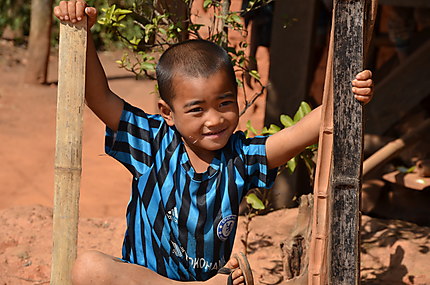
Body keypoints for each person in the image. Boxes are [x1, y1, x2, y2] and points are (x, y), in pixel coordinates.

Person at [54, 1, 374, 284]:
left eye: (224, 103)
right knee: (87, 268)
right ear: (168, 112)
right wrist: (83, 34)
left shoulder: (240, 159)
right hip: (146, 281)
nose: (214, 119)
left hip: (212, 280)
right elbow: (98, 96)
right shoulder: (151, 141)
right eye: (197, 109)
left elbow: (300, 132)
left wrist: (346, 94)